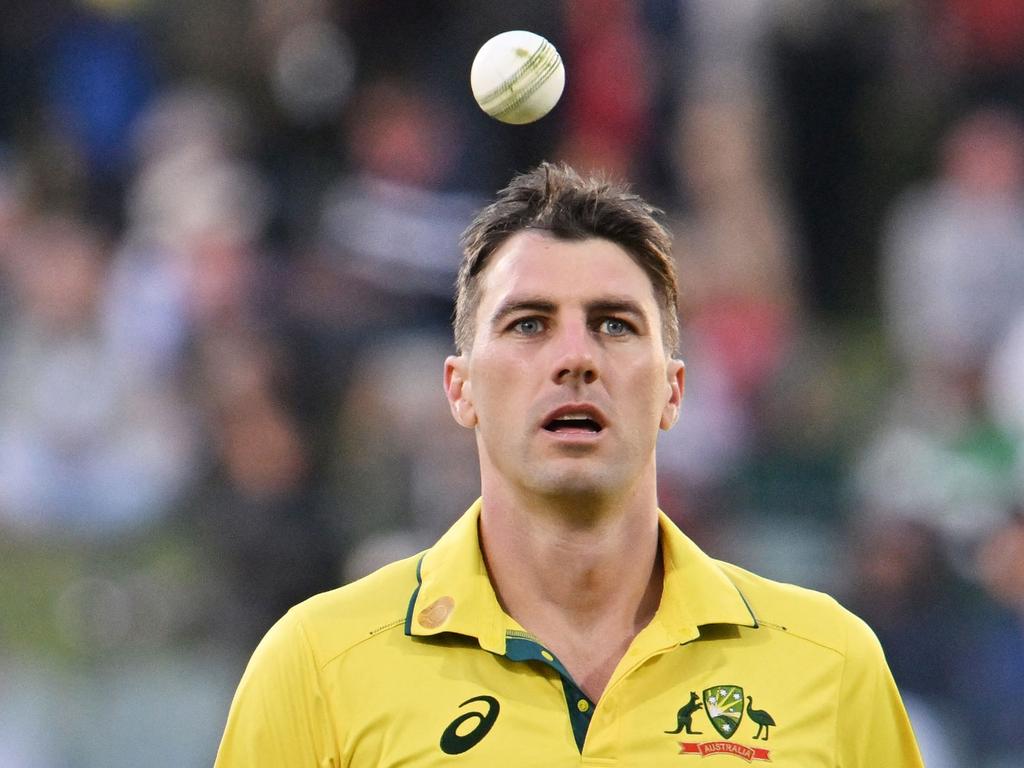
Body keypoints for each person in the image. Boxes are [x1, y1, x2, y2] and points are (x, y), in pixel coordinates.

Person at [214, 162, 924, 766]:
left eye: (615, 325)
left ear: (673, 390)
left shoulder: (831, 667)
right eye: (529, 324)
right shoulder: (315, 667)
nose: (576, 358)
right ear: (460, 388)